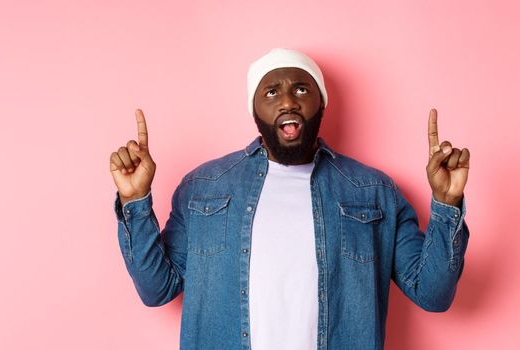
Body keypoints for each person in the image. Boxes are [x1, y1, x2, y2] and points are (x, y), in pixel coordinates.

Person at [108, 48, 470, 349]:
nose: (286, 101)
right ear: (254, 110)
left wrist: (446, 204)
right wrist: (136, 200)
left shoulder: (375, 192)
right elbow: (157, 290)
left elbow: (433, 294)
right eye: (270, 92)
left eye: (300, 89)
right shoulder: (203, 187)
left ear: (321, 103)